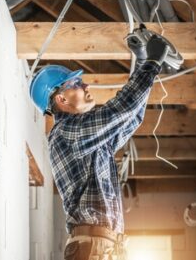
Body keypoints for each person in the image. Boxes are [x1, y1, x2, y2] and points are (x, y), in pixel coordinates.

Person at [29, 35, 170, 259]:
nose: (85, 84)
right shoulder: (66, 133)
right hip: (94, 247)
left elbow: (132, 117)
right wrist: (151, 64)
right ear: (61, 100)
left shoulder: (88, 138)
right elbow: (121, 110)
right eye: (75, 84)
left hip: (103, 246)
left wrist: (145, 63)